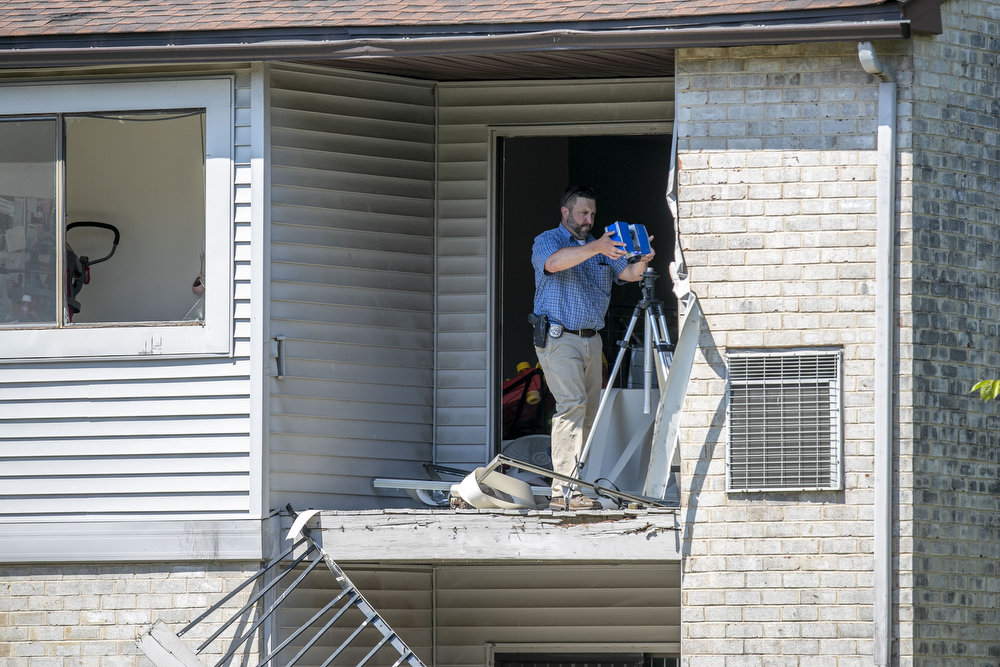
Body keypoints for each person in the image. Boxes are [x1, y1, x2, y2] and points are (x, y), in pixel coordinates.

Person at [531, 185, 655, 510]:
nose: (589, 219)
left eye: (593, 214)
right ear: (566, 212)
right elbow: (554, 264)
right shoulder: (548, 240)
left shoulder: (601, 247)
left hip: (592, 340)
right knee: (571, 406)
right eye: (584, 213)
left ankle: (578, 488)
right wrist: (598, 246)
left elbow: (628, 274)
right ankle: (563, 493)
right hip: (559, 338)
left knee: (587, 415)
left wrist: (641, 261)